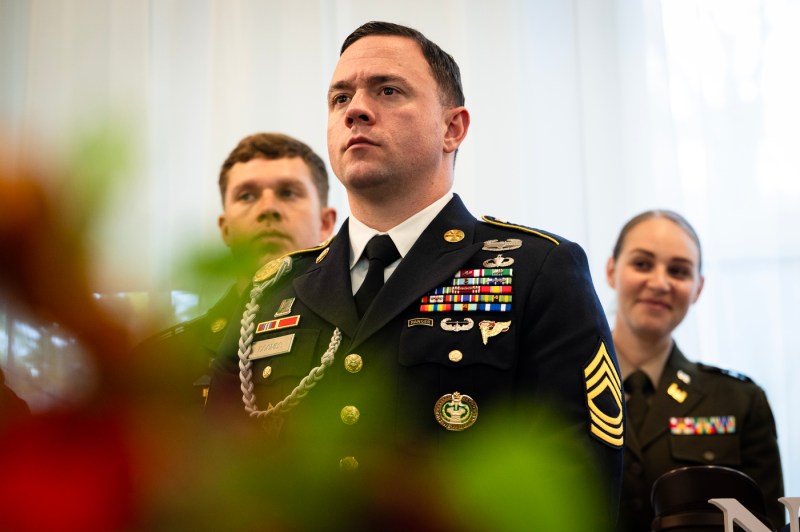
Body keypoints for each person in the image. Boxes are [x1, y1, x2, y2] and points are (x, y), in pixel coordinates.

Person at [207, 21, 624, 521]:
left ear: (453, 128)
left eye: (388, 90)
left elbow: (576, 482)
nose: (356, 109)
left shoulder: (537, 269)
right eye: (340, 98)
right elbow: (212, 480)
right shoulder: (271, 292)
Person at [606, 209, 785, 531]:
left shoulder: (740, 401)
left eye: (678, 271)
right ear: (611, 270)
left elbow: (765, 523)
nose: (659, 283)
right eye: (642, 264)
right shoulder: (558, 389)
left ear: (698, 288)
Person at [133, 133, 336, 408]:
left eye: (288, 192)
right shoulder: (161, 361)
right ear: (225, 228)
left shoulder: (359, 339)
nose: (268, 208)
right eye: (247, 195)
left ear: (325, 223)